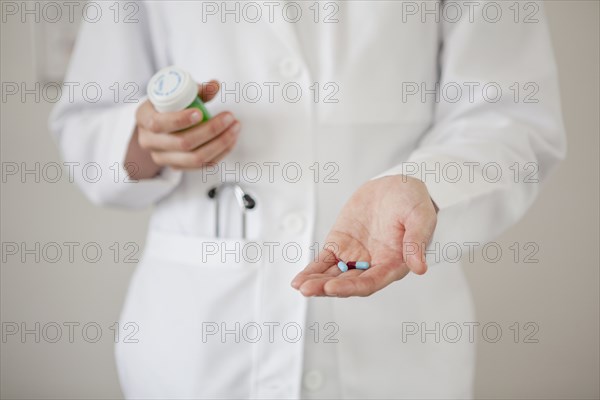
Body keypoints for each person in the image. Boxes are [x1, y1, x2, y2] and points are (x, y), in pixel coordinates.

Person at [50, 1, 566, 398]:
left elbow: (512, 115)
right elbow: (89, 123)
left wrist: (426, 183)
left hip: (396, 342)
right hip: (196, 344)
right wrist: (147, 142)